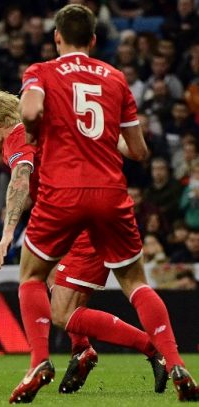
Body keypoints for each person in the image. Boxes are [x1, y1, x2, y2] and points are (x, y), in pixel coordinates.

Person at [17, 4, 198, 402]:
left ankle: (39, 361)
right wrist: (101, 140)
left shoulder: (41, 72)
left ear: (56, 37)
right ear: (95, 40)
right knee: (135, 283)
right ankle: (174, 359)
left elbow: (30, 110)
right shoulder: (116, 78)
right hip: (111, 194)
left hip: (64, 194)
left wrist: (33, 130)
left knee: (32, 278)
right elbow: (139, 151)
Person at [0, 88, 167, 398]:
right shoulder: (35, 129)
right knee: (49, 277)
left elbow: (21, 176)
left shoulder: (16, 139)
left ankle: (153, 347)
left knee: (61, 313)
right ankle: (82, 350)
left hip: (81, 225)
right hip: (78, 218)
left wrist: (8, 231)